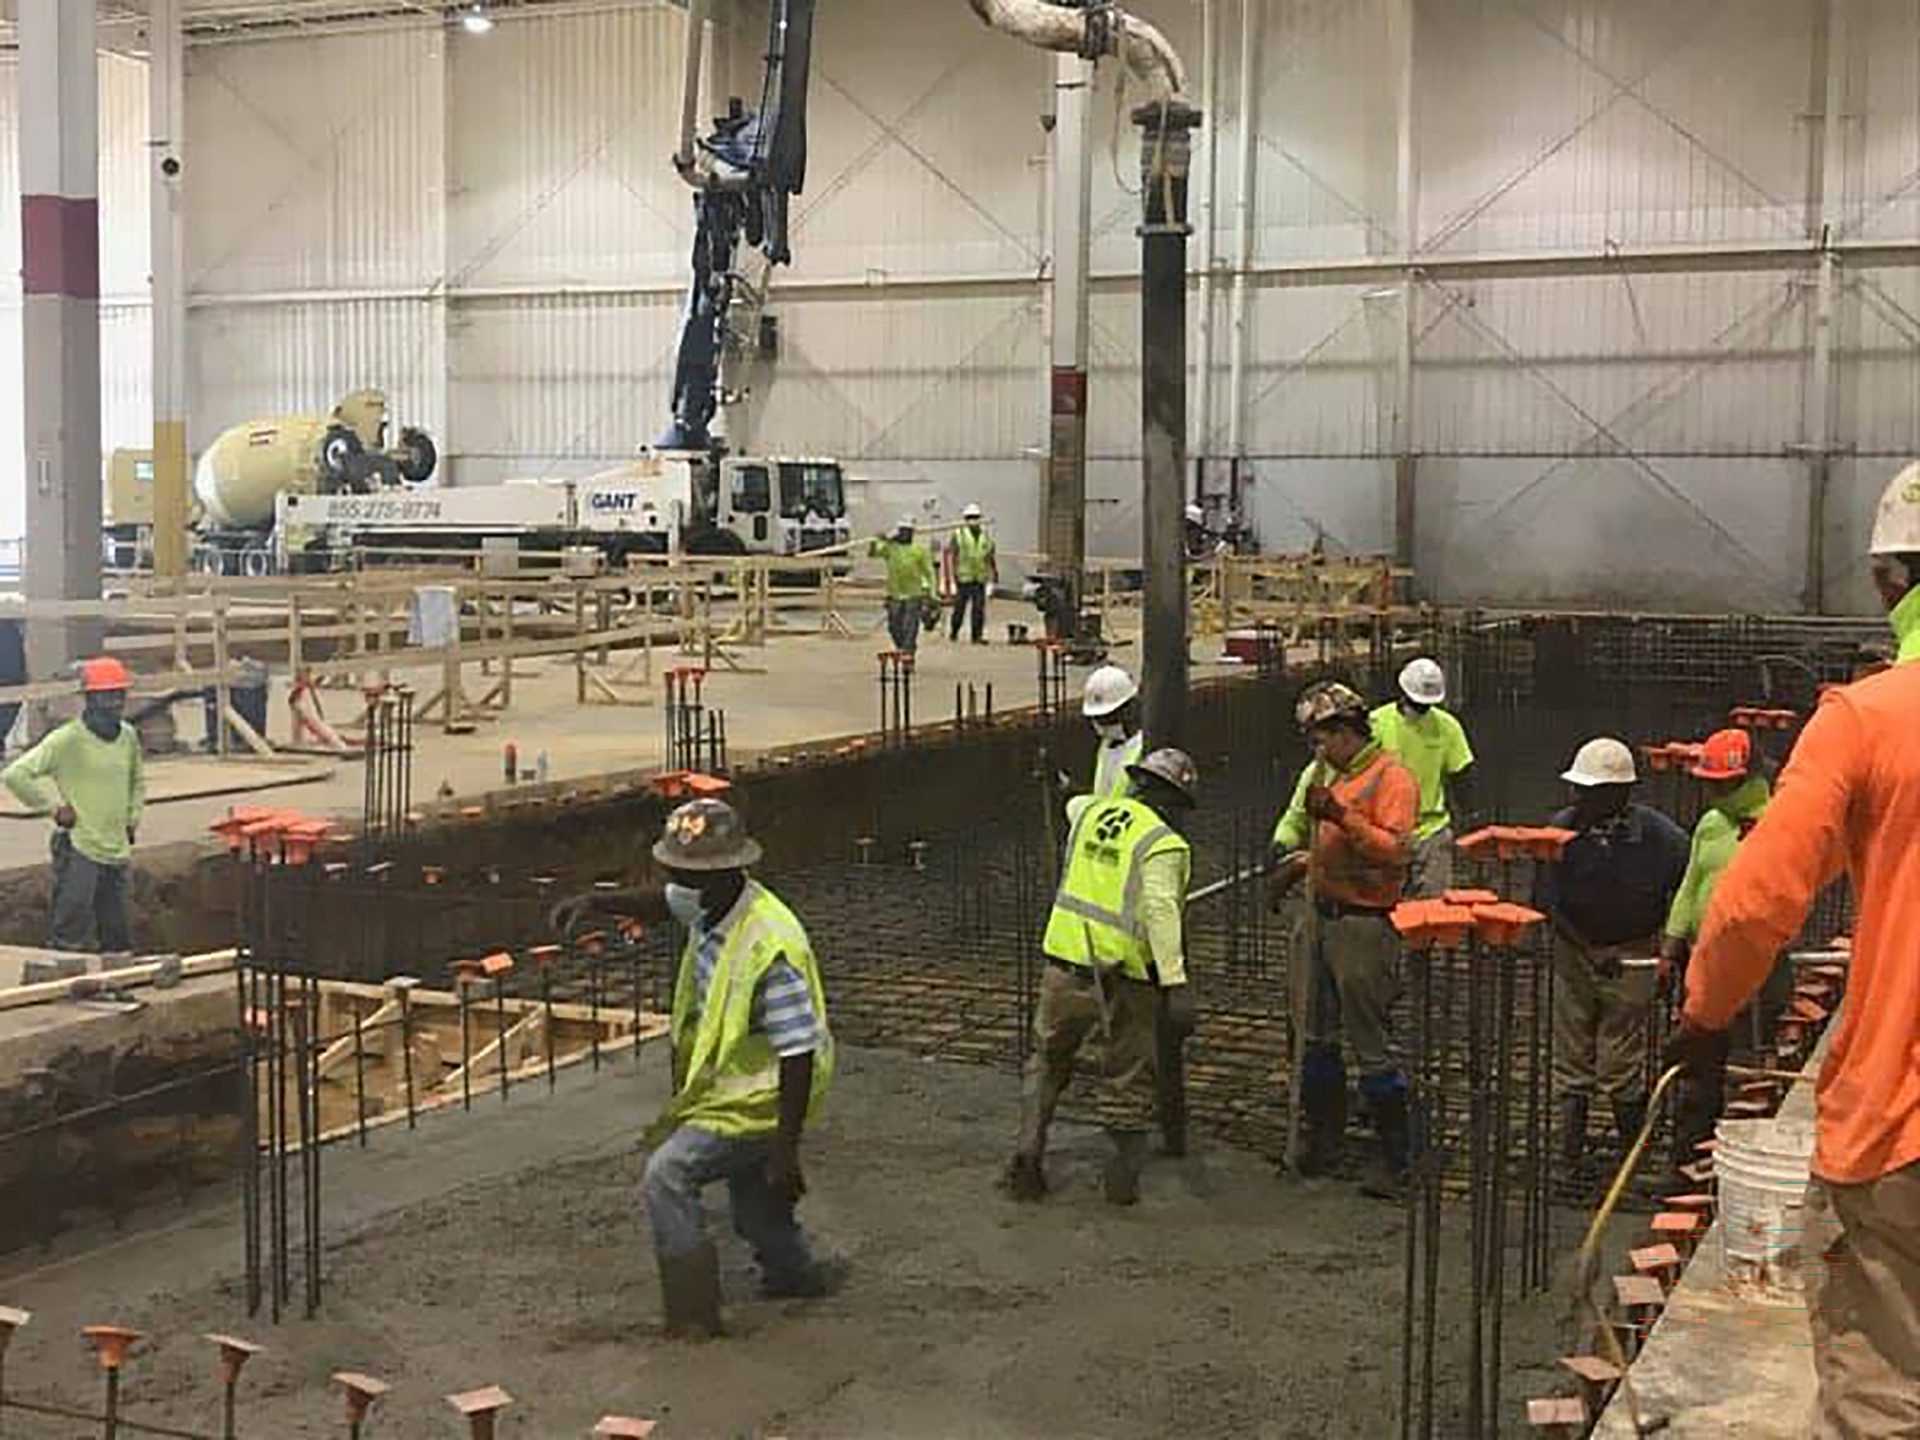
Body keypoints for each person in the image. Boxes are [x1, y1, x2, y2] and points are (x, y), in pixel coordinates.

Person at [1664, 463, 1920, 1436]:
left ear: (1888, 583)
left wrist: (1705, 1015)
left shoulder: (1866, 719)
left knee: (1882, 1393)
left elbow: (1750, 907)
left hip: (1904, 1120)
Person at [551, 799, 838, 1335]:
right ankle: (799, 1273)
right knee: (755, 1206)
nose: (684, 887)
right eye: (679, 874)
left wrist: (786, 1147)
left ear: (731, 870)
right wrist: (596, 902)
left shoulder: (770, 946)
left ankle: (693, 1315)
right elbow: (664, 903)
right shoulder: (712, 898)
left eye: (693, 877)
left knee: (668, 1175)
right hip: (731, 1088)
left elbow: (798, 1049)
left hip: (760, 1099)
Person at [1005, 748, 1199, 1206]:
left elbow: (1071, 802)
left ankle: (1027, 1156)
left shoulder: (1093, 812)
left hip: (1063, 964)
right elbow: (1161, 911)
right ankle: (1121, 1184)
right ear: (1173, 802)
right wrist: (1176, 983)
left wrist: (1060, 782)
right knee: (1128, 1077)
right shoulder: (1163, 844)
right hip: (1123, 982)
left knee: (1048, 1062)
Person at [1270, 681, 1419, 1198]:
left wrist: (1339, 815)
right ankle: (1323, 1138)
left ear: (1346, 731)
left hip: (1364, 922)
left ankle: (1395, 1157)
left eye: (1321, 738)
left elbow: (1395, 852)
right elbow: (1308, 834)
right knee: (1314, 1032)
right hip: (1320, 914)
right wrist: (1296, 861)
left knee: (1369, 1040)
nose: (1317, 749)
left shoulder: (1391, 778)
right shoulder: (1322, 772)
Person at [1534, 737, 1688, 1176]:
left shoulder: (1660, 838)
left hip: (1634, 952)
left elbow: (1688, 887)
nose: (1579, 798)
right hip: (1574, 953)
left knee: (1621, 1060)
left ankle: (1630, 1161)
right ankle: (1569, 1158)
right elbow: (1548, 903)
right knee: (1571, 1056)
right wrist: (1587, 951)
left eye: (1590, 791)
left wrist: (1672, 949)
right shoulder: (1561, 831)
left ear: (1619, 794)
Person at [1657, 727, 1772, 1186]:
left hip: (1752, 964)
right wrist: (1670, 945)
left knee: (1742, 1069)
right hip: (1700, 960)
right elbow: (1689, 887)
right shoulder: (1711, 823)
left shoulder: (1776, 825)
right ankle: (1687, 1164)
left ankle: (1735, 1169)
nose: (1712, 791)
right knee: (1695, 1066)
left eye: (1721, 784)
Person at [3, 657, 145, 954]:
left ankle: (116, 975)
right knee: (71, 923)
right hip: (80, 846)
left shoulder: (128, 737)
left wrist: (132, 817)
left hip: (115, 846)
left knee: (116, 927)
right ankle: (63, 979)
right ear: (90, 699)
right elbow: (16, 774)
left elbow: (137, 780)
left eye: (119, 695)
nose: (114, 703)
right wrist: (52, 808)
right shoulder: (68, 740)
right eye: (107, 696)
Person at [1368, 657, 1476, 898]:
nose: (1422, 709)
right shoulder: (1375, 724)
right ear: (1403, 694)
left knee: (1432, 911)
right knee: (1385, 908)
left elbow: (1461, 776)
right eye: (1417, 704)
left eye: (1426, 705)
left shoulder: (1447, 726)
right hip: (1384, 831)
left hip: (1431, 831)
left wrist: (1470, 819)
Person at [868, 517, 936, 656]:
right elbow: (873, 553)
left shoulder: (918, 551)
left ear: (912, 533)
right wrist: (877, 540)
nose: (905, 534)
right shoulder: (891, 548)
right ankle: (902, 646)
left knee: (910, 626)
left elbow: (930, 573)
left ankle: (908, 651)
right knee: (894, 626)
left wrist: (932, 594)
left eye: (908, 531)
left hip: (913, 594)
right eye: (903, 531)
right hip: (895, 594)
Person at [1081, 664, 1143, 799]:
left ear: (1129, 709)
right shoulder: (1106, 745)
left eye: (1107, 718)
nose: (1100, 726)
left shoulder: (1144, 751)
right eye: (1096, 719)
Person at [944, 503, 997, 645]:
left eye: (975, 517)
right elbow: (953, 555)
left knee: (978, 609)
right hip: (963, 577)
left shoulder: (985, 535)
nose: (973, 520)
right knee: (959, 608)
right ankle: (954, 631)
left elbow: (989, 555)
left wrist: (993, 575)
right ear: (965, 518)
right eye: (970, 517)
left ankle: (977, 636)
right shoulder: (959, 534)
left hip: (979, 578)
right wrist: (953, 575)